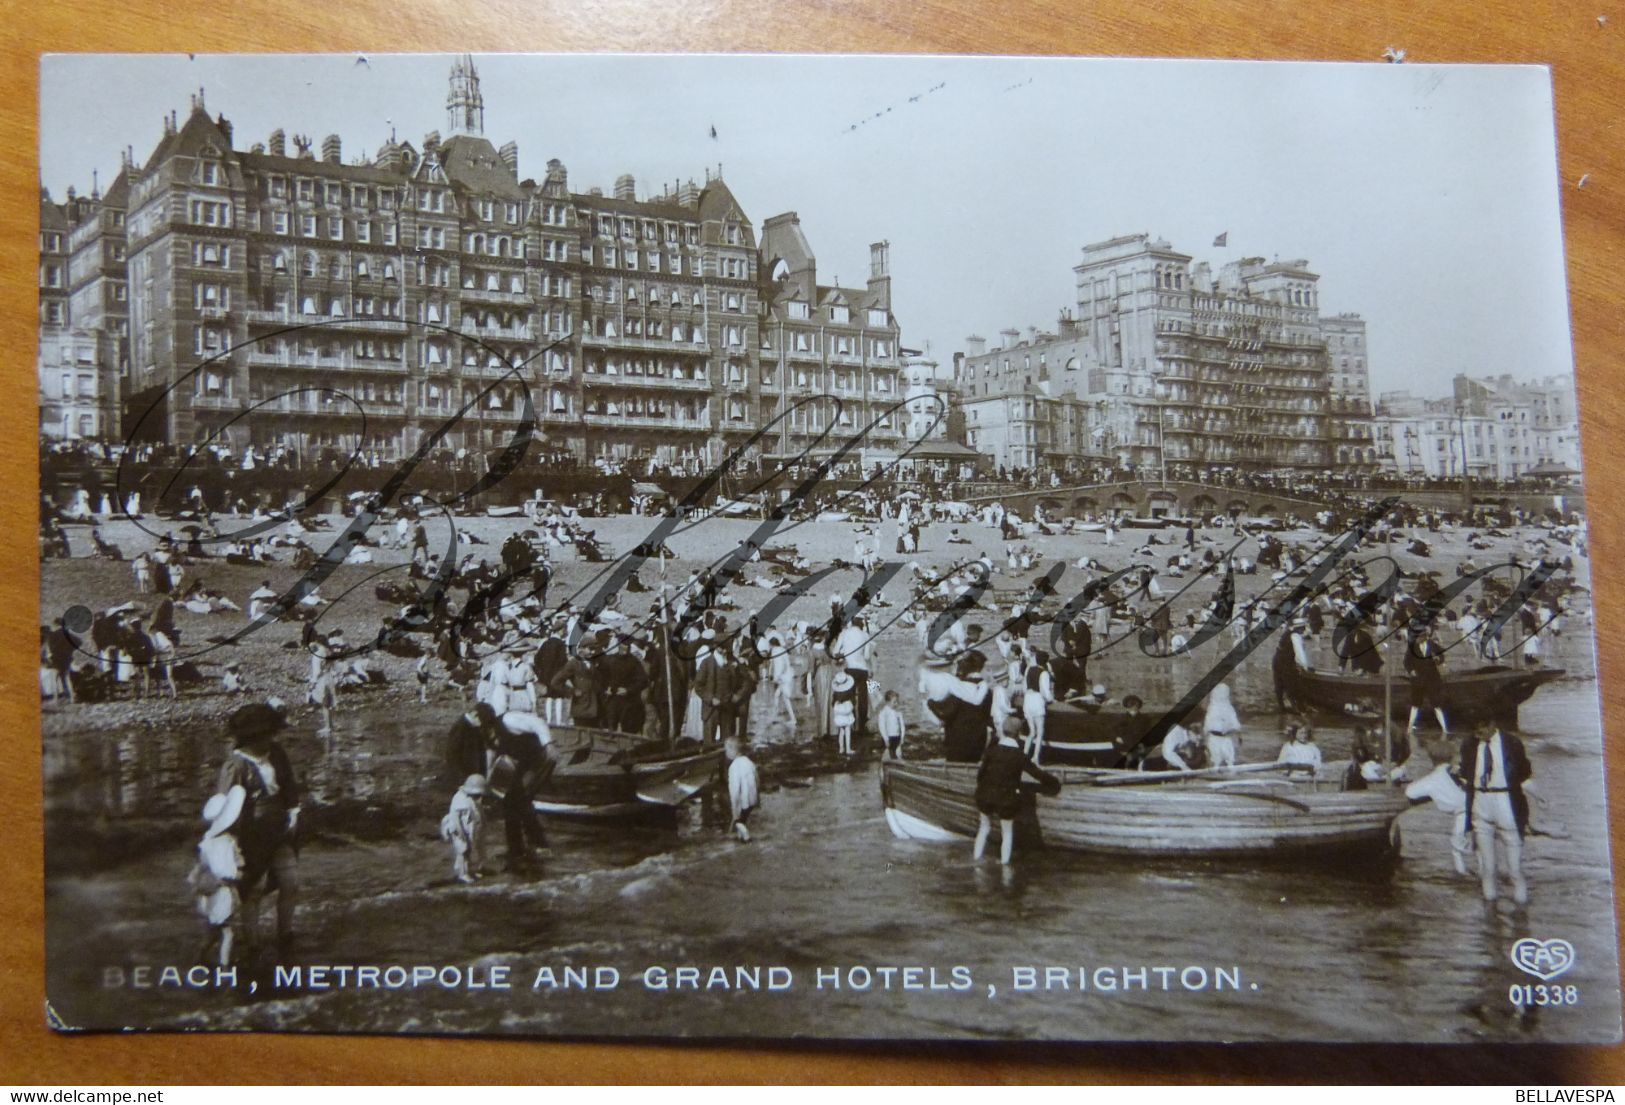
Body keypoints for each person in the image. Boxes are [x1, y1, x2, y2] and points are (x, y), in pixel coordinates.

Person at [214, 703, 301, 953]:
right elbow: (226, 806)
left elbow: (289, 786)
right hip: (251, 835)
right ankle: (252, 941)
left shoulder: (276, 753)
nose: (272, 738)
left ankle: (285, 933)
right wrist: (229, 841)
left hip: (282, 830)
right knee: (253, 889)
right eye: (267, 734)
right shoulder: (237, 765)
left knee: (290, 882)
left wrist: (294, 811)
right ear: (252, 737)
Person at [1460, 721, 1533, 904]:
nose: (1478, 734)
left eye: (1481, 729)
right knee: (1487, 868)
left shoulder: (1512, 743)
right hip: (1480, 800)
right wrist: (1467, 823)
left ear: (1492, 724)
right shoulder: (1470, 744)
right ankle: (1490, 914)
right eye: (1475, 731)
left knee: (1514, 870)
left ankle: (1521, 914)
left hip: (1506, 799)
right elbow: (1467, 777)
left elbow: (1524, 772)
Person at [973, 716, 1060, 867]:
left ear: (1003, 731)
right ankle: (1004, 864)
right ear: (1018, 734)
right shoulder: (1020, 756)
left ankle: (976, 860)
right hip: (1006, 798)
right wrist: (1055, 783)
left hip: (985, 795)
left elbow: (980, 775)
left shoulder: (991, 751)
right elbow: (1037, 774)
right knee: (1007, 832)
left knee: (984, 828)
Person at [189, 785, 246, 968]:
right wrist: (239, 870)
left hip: (208, 890)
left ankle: (200, 956)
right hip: (223, 891)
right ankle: (225, 964)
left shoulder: (206, 842)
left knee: (214, 930)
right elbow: (236, 869)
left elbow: (203, 865)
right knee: (228, 932)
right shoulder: (229, 842)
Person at [1405, 761, 1473, 876]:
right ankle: (1464, 868)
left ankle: (1465, 868)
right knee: (1461, 840)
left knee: (1459, 841)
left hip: (1463, 809)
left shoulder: (1433, 780)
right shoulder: (1442, 777)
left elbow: (1410, 792)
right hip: (1467, 806)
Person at [440, 774, 487, 884]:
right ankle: (462, 873)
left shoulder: (472, 800)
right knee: (463, 851)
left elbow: (478, 813)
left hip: (468, 829)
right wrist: (460, 831)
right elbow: (455, 817)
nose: (478, 797)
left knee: (470, 850)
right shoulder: (459, 799)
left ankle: (470, 870)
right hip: (458, 829)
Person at [1405, 626, 1450, 736]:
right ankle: (1409, 728)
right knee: (1415, 704)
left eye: (1420, 637)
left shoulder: (1432, 645)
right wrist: (1411, 670)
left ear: (1425, 637)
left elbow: (1441, 655)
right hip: (1418, 680)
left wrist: (1438, 660)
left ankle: (1445, 729)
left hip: (1432, 679)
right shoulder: (1412, 647)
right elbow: (1407, 661)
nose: (1418, 639)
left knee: (1436, 704)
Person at [1021, 651, 1055, 763]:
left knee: (1032, 732)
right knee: (1040, 732)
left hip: (1027, 700)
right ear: (1046, 662)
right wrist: (1050, 700)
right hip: (1037, 701)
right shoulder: (1044, 673)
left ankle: (1024, 754)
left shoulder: (1028, 669)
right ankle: (1035, 757)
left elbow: (1024, 688)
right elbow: (1045, 691)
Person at [725, 736, 760, 843]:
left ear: (732, 751)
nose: (726, 753)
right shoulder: (748, 762)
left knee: (738, 821)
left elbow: (734, 789)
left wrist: (734, 807)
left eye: (726, 750)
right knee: (743, 819)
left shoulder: (734, 767)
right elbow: (757, 779)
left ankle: (746, 837)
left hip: (744, 799)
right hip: (753, 798)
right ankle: (741, 837)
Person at [1203, 682, 1242, 768]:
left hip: (1226, 738)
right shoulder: (1212, 708)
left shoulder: (1229, 708)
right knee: (1216, 761)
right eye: (1221, 693)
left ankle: (1231, 774)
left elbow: (1235, 724)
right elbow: (1207, 726)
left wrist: (1236, 732)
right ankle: (1216, 773)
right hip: (1214, 738)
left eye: (1225, 693)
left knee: (1230, 760)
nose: (1223, 695)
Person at [831, 671, 857, 755]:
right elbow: (854, 702)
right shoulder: (849, 693)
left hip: (839, 712)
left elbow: (832, 703)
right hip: (846, 710)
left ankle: (841, 748)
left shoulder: (836, 694)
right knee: (847, 729)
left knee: (841, 731)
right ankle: (848, 748)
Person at [876, 689, 905, 760]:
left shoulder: (898, 712)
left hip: (897, 736)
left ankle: (897, 766)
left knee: (898, 754)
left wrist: (902, 737)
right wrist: (885, 739)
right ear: (888, 702)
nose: (896, 704)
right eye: (894, 702)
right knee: (889, 754)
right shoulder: (884, 712)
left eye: (897, 702)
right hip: (889, 737)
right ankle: (886, 767)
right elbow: (882, 726)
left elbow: (902, 725)